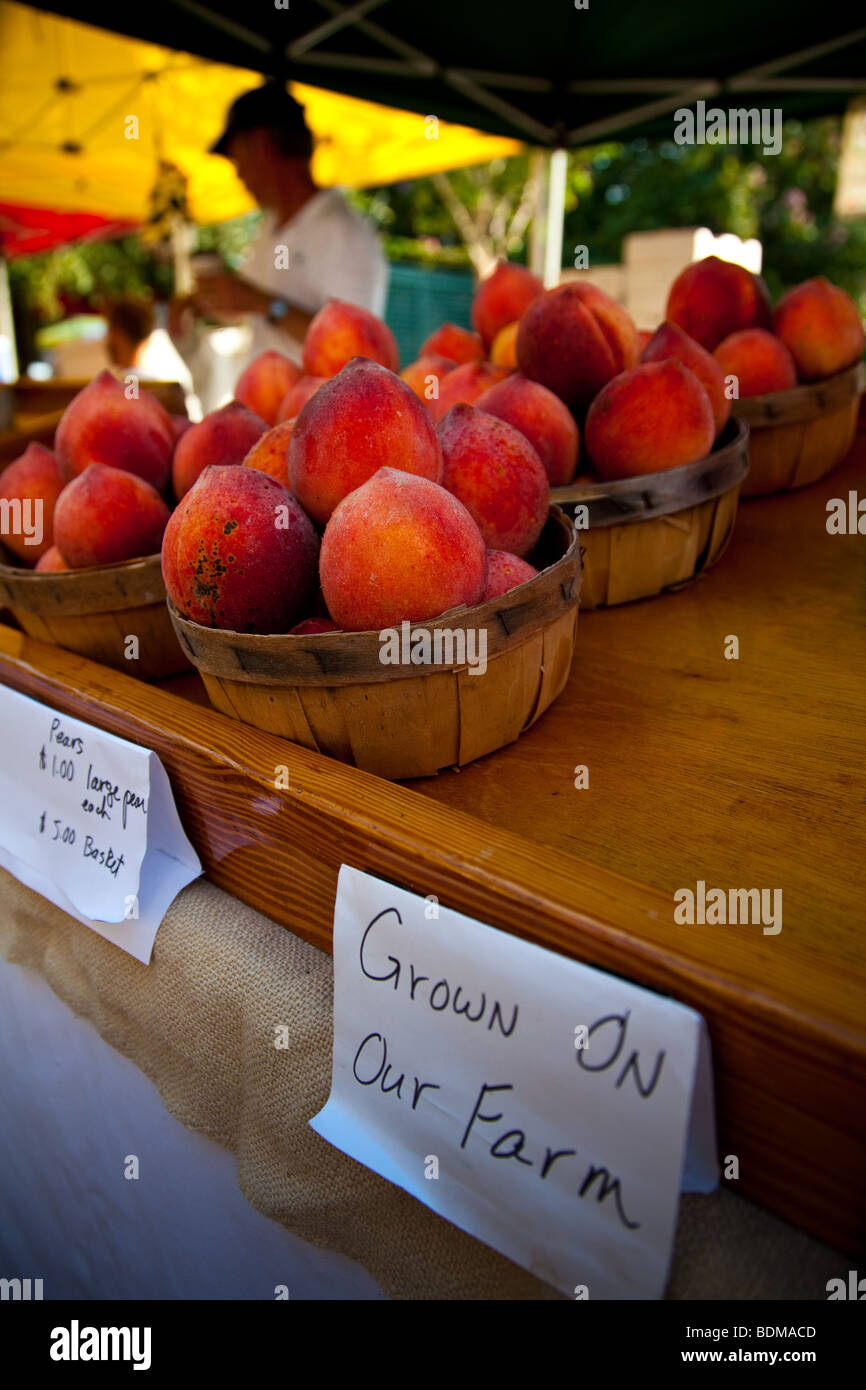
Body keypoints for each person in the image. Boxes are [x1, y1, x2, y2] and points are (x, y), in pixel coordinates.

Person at [189, 83, 389, 367]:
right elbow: (245, 302)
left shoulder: (341, 232)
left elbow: (357, 348)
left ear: (261, 145)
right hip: (269, 407)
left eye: (237, 161)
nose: (240, 176)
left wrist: (266, 305)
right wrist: (206, 301)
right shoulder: (269, 228)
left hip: (316, 410)